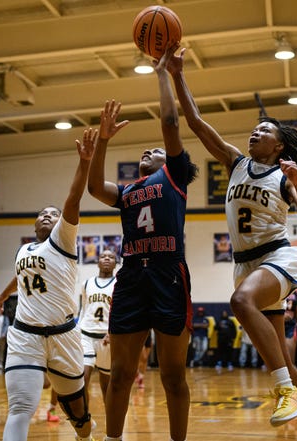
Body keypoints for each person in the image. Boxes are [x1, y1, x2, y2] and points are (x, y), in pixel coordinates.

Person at [168, 44, 297, 441]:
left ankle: (285, 393)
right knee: (279, 356)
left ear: (278, 146)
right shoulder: (235, 162)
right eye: (255, 127)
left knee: (240, 303)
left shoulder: (282, 177)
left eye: (265, 131)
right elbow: (194, 122)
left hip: (277, 258)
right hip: (245, 264)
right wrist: (178, 73)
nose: (255, 131)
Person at [87, 44, 199, 441]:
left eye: (155, 149)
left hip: (169, 274)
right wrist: (102, 140)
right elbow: (93, 187)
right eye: (145, 149)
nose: (148, 150)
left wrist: (162, 73)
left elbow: (170, 122)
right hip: (132, 276)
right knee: (119, 374)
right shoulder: (127, 190)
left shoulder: (174, 177)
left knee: (172, 377)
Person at [0, 129, 96, 441]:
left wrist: (84, 162)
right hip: (25, 336)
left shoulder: (63, 240)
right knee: (21, 407)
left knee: (79, 415)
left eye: (53, 214)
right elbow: (19, 278)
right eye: (42, 215)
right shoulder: (23, 250)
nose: (48, 216)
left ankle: (85, 434)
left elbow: (73, 198)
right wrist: (2, 294)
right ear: (35, 225)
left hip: (64, 337)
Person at [79, 249, 116, 406]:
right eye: (103, 256)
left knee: (106, 384)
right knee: (82, 379)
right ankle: (83, 419)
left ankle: (111, 425)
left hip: (106, 338)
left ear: (115, 263)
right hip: (86, 334)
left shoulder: (119, 284)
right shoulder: (86, 283)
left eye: (111, 257)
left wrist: (113, 331)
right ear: (98, 261)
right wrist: (77, 330)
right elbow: (83, 309)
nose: (106, 258)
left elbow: (120, 312)